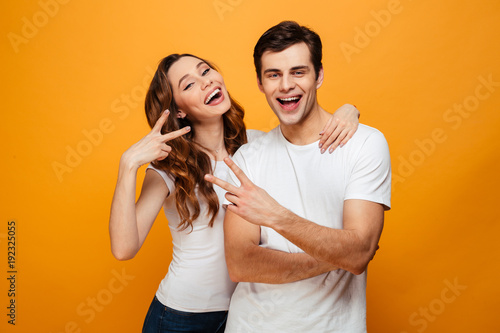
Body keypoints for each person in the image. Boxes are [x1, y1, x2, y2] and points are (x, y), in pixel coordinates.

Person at [108, 52, 361, 332]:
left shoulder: (257, 145)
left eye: (205, 72)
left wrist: (349, 110)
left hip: (243, 315)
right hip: (182, 316)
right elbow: (123, 248)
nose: (205, 82)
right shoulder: (171, 169)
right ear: (178, 110)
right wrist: (128, 164)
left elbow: (308, 140)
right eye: (188, 85)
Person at [205, 21, 391, 332]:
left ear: (318, 75)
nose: (286, 85)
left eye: (298, 72)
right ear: (260, 83)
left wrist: (276, 216)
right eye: (273, 74)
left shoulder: (365, 144)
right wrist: (338, 257)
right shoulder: (247, 159)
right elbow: (241, 264)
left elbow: (358, 252)